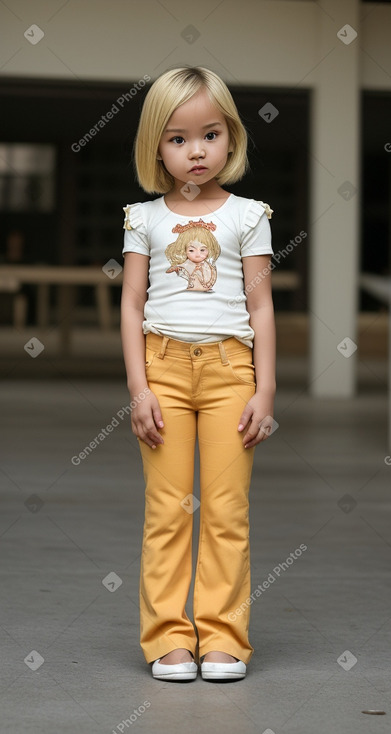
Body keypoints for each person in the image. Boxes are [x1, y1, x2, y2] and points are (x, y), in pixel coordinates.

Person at [120, 65, 276, 682]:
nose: (195, 151)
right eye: (178, 138)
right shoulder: (144, 217)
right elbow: (132, 306)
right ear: (156, 145)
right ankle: (167, 640)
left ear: (231, 138)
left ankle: (223, 639)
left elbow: (261, 305)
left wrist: (264, 388)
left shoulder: (248, 215)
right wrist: (138, 390)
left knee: (225, 509)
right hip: (160, 370)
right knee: (166, 509)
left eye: (209, 134)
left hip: (230, 370)